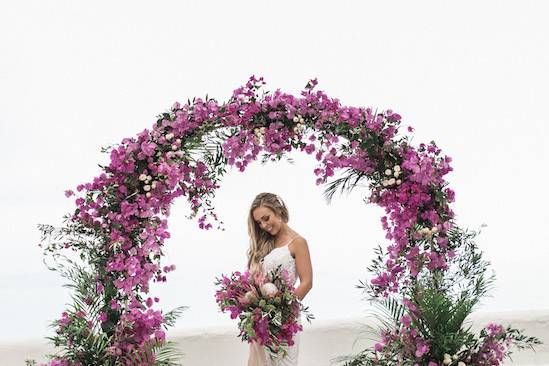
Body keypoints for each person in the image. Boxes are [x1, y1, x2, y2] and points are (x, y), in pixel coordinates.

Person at [246, 192, 313, 366]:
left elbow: (307, 282)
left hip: (285, 319)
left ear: (279, 211)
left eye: (266, 218)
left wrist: (284, 311)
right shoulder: (264, 244)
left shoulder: (298, 242)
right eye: (259, 223)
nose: (264, 225)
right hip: (262, 319)